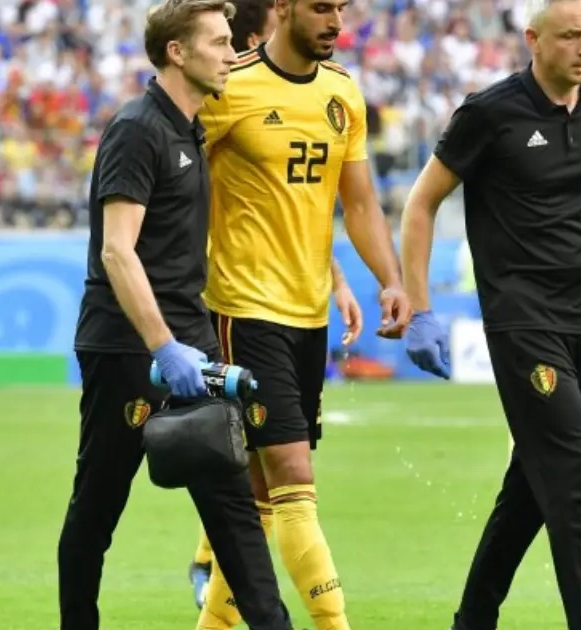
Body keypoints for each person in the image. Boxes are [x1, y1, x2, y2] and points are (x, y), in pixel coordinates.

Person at [399, 0, 581, 628]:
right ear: (533, 39)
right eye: (570, 36)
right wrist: (420, 308)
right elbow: (421, 203)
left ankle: (472, 619)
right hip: (523, 323)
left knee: (530, 488)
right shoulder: (489, 113)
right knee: (575, 467)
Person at [58, 2, 293, 629]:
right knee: (98, 506)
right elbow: (117, 250)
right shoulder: (137, 129)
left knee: (232, 506)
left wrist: (189, 341)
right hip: (128, 348)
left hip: (189, 342)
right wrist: (163, 346)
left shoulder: (191, 127)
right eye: (218, 42)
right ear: (177, 52)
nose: (232, 54)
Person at [190, 0, 413, 628]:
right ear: (282, 8)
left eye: (340, 8)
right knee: (294, 479)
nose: (336, 21)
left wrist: (389, 279)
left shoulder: (343, 94)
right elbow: (179, 185)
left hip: (308, 318)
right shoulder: (229, 87)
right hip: (244, 311)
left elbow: (358, 204)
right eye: (321, 7)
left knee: (263, 497)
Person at [187, 0, 278, 609]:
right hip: (229, 294)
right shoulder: (225, 102)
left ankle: (214, 570)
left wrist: (336, 278)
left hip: (284, 294)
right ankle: (211, 566)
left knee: (265, 453)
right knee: (246, 444)